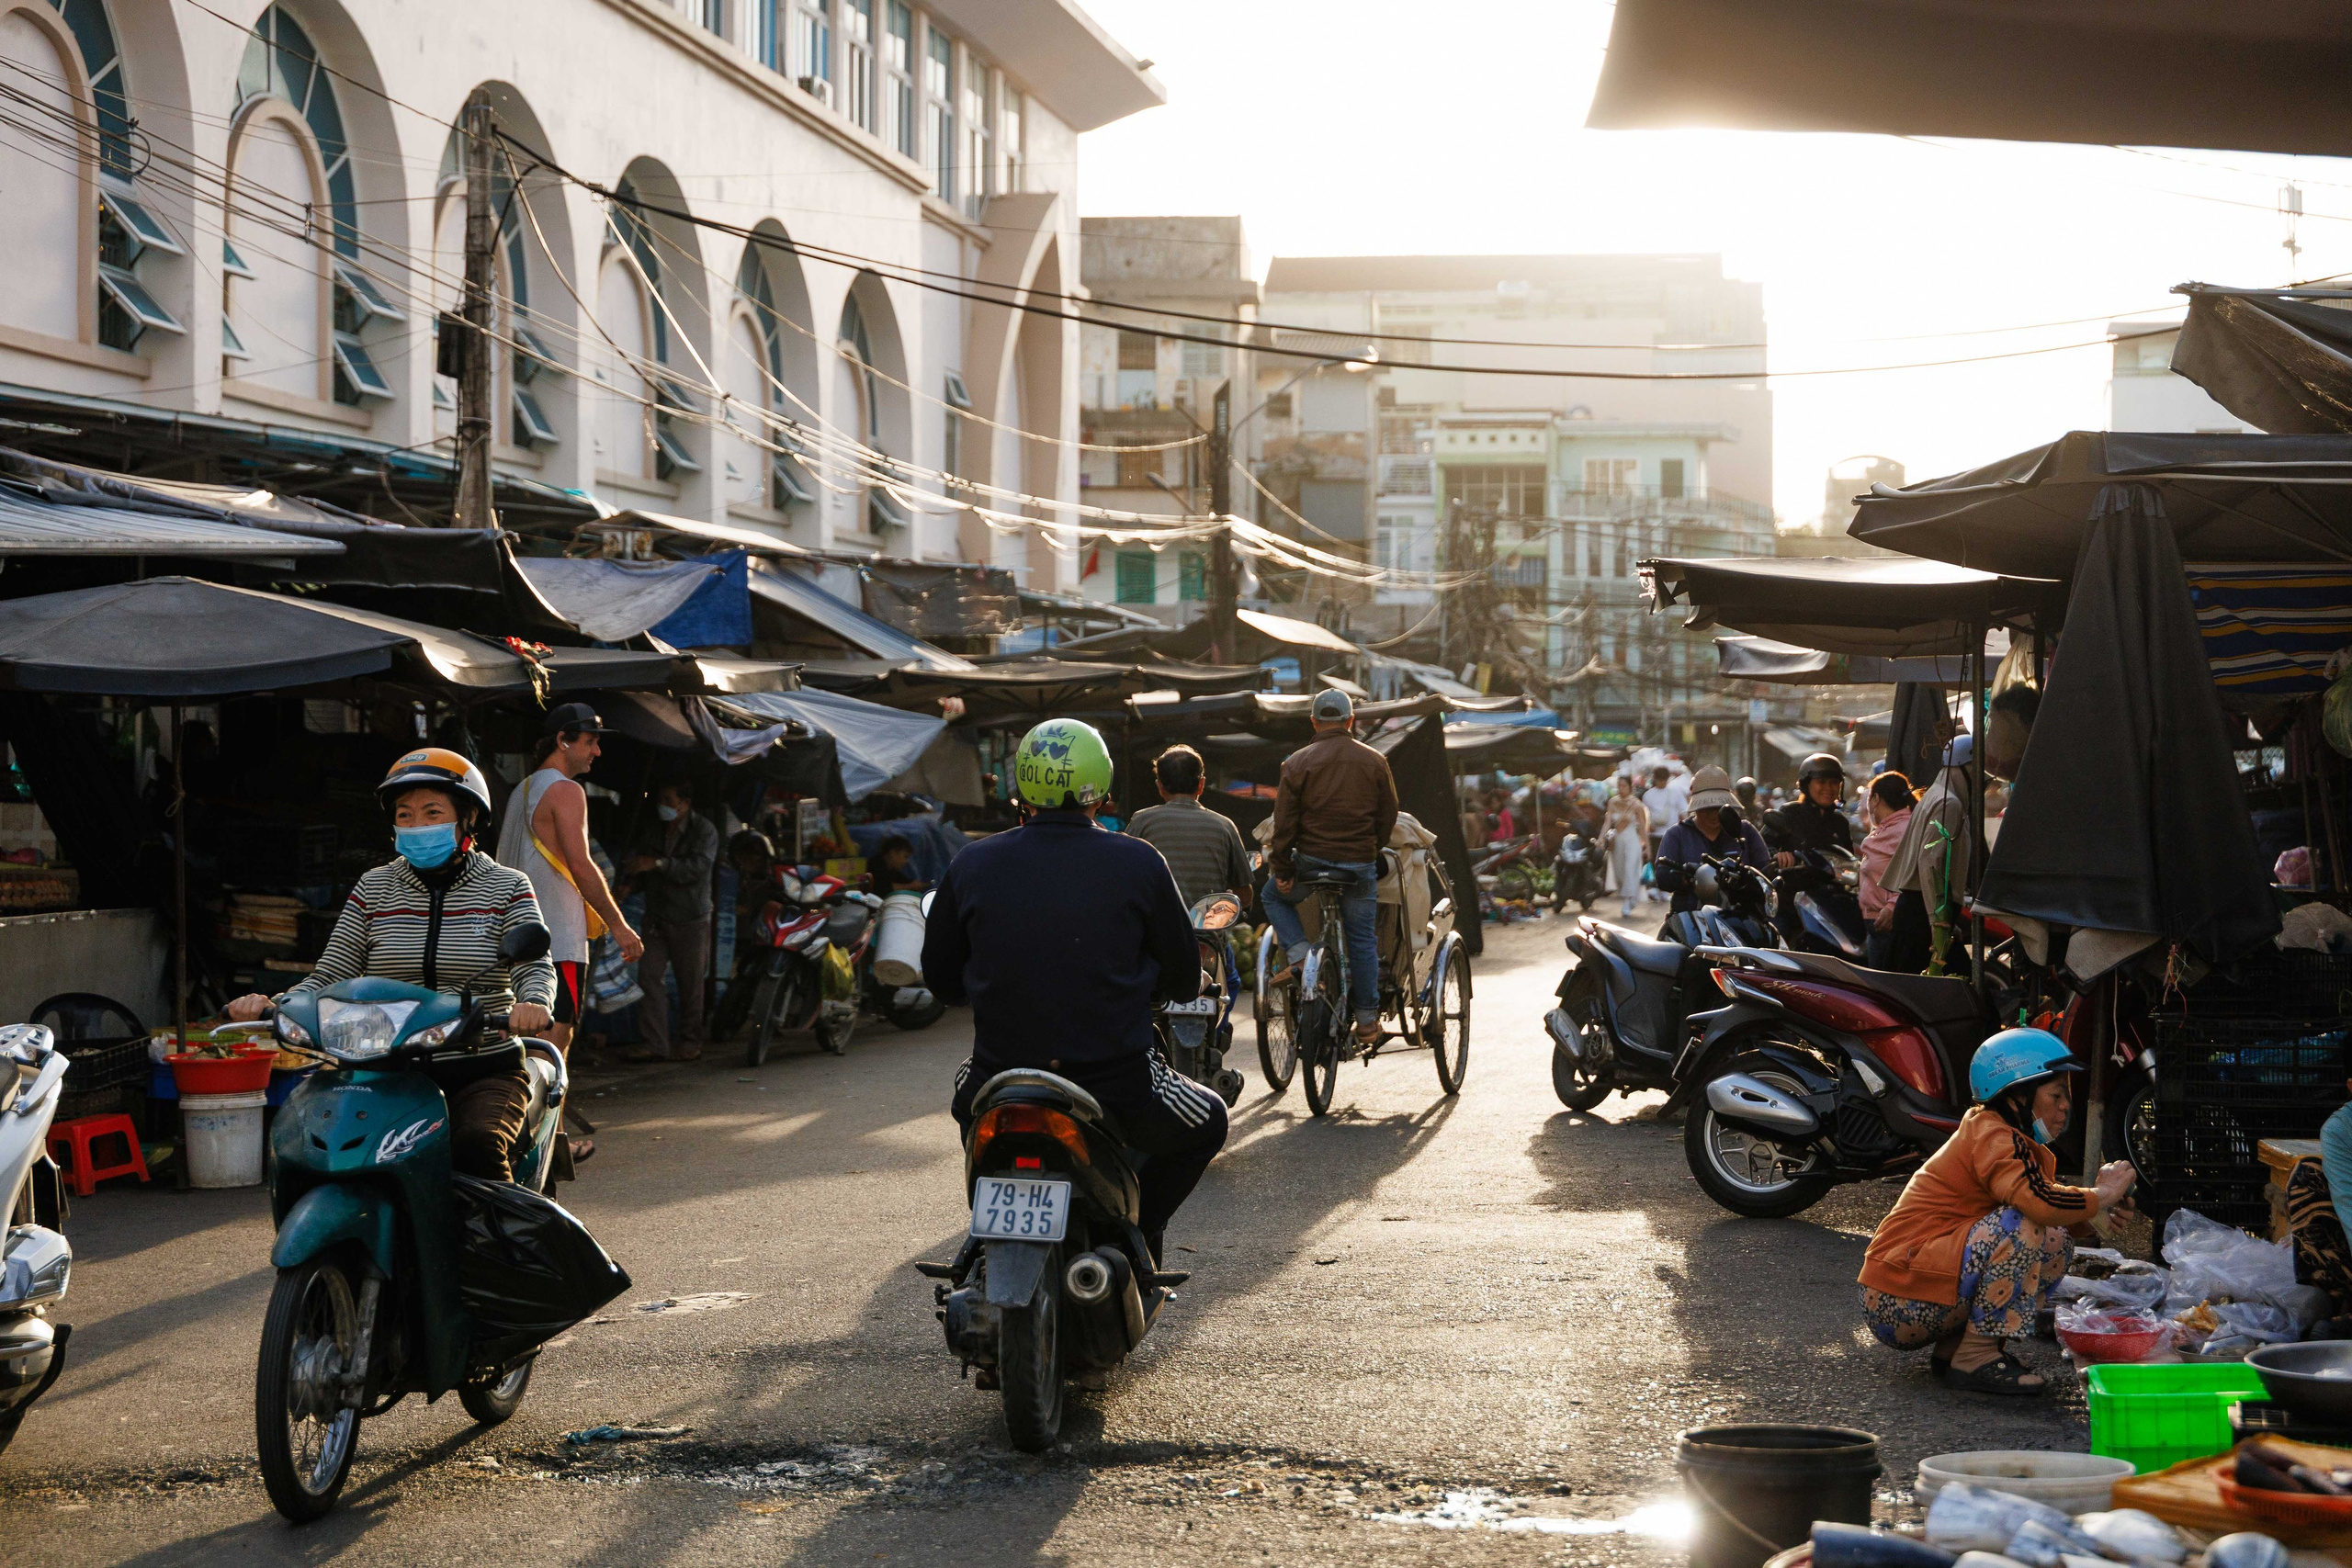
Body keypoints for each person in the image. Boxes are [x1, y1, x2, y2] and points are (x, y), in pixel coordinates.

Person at [922, 717, 1227, 1263]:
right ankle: (1134, 1232)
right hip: (1118, 1081)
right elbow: (1183, 978)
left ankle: (988, 1225)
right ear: (1102, 790)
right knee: (1210, 1121)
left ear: (1022, 787)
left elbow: (942, 983)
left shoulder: (971, 863)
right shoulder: (1138, 861)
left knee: (967, 1105)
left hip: (1002, 1076)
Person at [226, 750, 557, 1183]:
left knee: (476, 1143)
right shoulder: (375, 886)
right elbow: (331, 973)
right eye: (406, 815)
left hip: (481, 1066)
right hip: (386, 1070)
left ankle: (505, 1246)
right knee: (320, 1147)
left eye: (432, 812)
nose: (417, 825)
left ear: (468, 818)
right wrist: (278, 1003)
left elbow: (534, 964)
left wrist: (533, 1002)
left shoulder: (506, 886)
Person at [1860, 1029, 2136, 1394]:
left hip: (1906, 1295)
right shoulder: (1994, 1135)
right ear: (2018, 1093)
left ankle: (1956, 1350)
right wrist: (2103, 1193)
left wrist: (2090, 1215)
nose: (2066, 1106)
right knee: (2023, 1224)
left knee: (2055, 1240)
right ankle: (1977, 1355)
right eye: (2056, 1095)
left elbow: (2045, 1206)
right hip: (1898, 1298)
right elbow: (2037, 1203)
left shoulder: (2000, 1135)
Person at [495, 704, 641, 1071]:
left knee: (519, 1043)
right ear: (563, 741)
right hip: (556, 937)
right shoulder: (566, 790)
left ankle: (552, 1131)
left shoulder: (522, 790)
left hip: (513, 936)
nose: (597, 751)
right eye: (590, 742)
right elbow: (581, 865)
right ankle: (544, 1128)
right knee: (553, 1043)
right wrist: (619, 925)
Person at [1261, 690, 1400, 1044]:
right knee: (1361, 940)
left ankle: (1299, 956)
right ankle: (1368, 1023)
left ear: (1313, 722)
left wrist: (1282, 869)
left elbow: (1284, 825)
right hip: (1358, 867)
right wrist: (1371, 847)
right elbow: (1388, 815)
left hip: (1311, 864)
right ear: (1350, 721)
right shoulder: (1374, 761)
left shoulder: (1296, 762)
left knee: (1273, 897)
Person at [622, 778, 718, 1064]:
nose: (663, 805)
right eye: (660, 799)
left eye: (668, 799)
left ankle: (691, 1041)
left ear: (685, 804)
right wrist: (631, 885)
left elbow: (698, 869)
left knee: (690, 983)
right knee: (648, 977)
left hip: (690, 917)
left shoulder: (704, 831)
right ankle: (655, 1043)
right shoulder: (654, 828)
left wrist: (659, 864)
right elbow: (645, 869)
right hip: (657, 916)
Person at [1882, 734, 1982, 976]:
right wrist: (1938, 922)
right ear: (1966, 768)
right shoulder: (1950, 804)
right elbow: (1930, 863)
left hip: (1923, 912)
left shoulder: (1936, 796)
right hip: (1924, 917)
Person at [1125, 744, 1253, 912]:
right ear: (1201, 785)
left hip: (1155, 933)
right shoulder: (1224, 826)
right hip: (1206, 935)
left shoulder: (1141, 821)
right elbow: (1245, 896)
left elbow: (1122, 878)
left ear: (1160, 786)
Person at [1650, 766, 1770, 914]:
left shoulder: (1745, 831)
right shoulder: (1677, 834)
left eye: (1718, 808)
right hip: (1690, 917)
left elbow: (1765, 870)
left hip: (1740, 918)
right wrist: (1688, 876)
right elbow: (1662, 876)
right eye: (1707, 808)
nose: (1714, 815)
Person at [1859, 772, 1916, 970]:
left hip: (1889, 925)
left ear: (1875, 800)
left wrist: (1893, 907)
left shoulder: (1903, 830)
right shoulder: (1887, 829)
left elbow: (1912, 873)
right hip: (1877, 925)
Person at [1763, 752, 1856, 867]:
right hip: (1794, 882)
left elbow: (1849, 859)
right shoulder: (1790, 813)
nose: (1828, 788)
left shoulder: (1840, 822)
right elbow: (1761, 846)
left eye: (1834, 783)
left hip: (1832, 884)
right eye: (1821, 782)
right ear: (1806, 784)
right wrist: (1778, 856)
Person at [1600, 775, 1651, 919]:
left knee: (1630, 868)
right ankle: (1631, 897)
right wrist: (1601, 838)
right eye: (1619, 785)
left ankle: (1628, 902)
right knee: (1620, 872)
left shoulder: (1636, 804)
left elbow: (1641, 827)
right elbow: (1607, 822)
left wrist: (1646, 847)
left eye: (1624, 785)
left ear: (1630, 787)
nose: (1621, 789)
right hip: (1618, 841)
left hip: (1632, 840)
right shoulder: (1613, 802)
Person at [1641, 766, 1685, 902]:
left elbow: (1683, 812)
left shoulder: (1675, 793)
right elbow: (1643, 815)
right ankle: (1654, 887)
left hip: (1671, 833)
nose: (1662, 783)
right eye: (1659, 780)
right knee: (1654, 861)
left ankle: (1665, 889)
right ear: (1655, 779)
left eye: (1664, 780)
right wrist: (1649, 826)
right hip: (1654, 835)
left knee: (1669, 862)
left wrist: (1684, 828)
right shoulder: (1648, 795)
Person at [871, 834, 930, 898]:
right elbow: (883, 888)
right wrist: (911, 886)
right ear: (893, 853)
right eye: (905, 857)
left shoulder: (894, 871)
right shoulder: (875, 865)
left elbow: (905, 882)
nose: (906, 861)